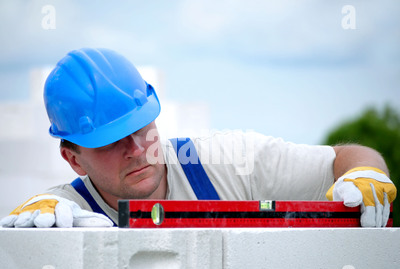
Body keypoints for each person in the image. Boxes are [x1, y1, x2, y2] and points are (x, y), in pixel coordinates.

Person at [0, 48, 396, 228]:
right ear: (73, 159)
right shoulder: (63, 213)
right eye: (110, 142)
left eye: (141, 129)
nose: (138, 151)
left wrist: (365, 173)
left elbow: (347, 158)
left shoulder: (224, 160)